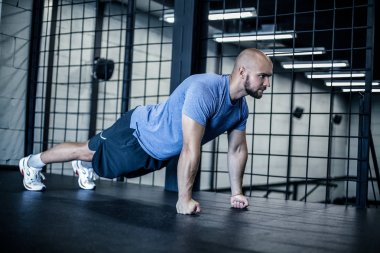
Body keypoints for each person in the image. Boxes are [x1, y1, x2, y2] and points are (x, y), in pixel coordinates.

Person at [19, 48, 273, 215]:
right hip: (136, 132)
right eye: (263, 76)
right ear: (242, 72)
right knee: (87, 151)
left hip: (157, 153)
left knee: (116, 169)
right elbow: (189, 147)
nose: (267, 83)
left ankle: (86, 167)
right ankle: (32, 163)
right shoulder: (204, 90)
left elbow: (237, 149)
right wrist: (183, 200)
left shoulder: (240, 109)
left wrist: (236, 192)